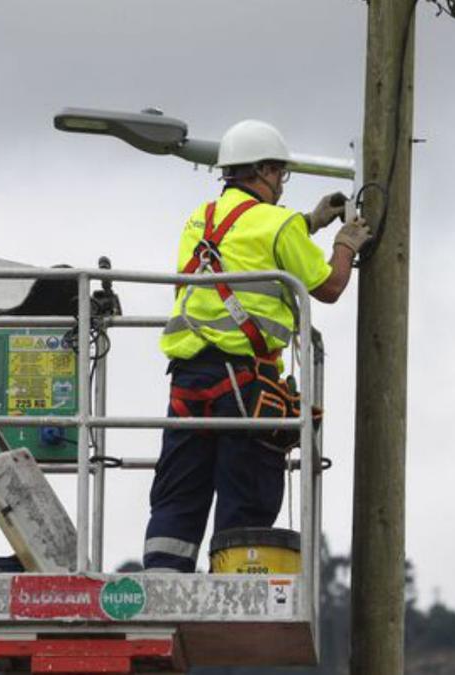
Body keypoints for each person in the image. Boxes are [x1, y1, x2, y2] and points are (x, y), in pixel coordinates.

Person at [142, 119, 372, 572]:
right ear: (265, 170)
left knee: (179, 492)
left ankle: (162, 588)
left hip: (188, 384)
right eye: (280, 175)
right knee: (246, 493)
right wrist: (345, 242)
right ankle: (234, 591)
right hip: (245, 386)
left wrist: (310, 222)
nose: (282, 185)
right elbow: (328, 287)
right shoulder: (279, 223)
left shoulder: (198, 220)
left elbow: (246, 242)